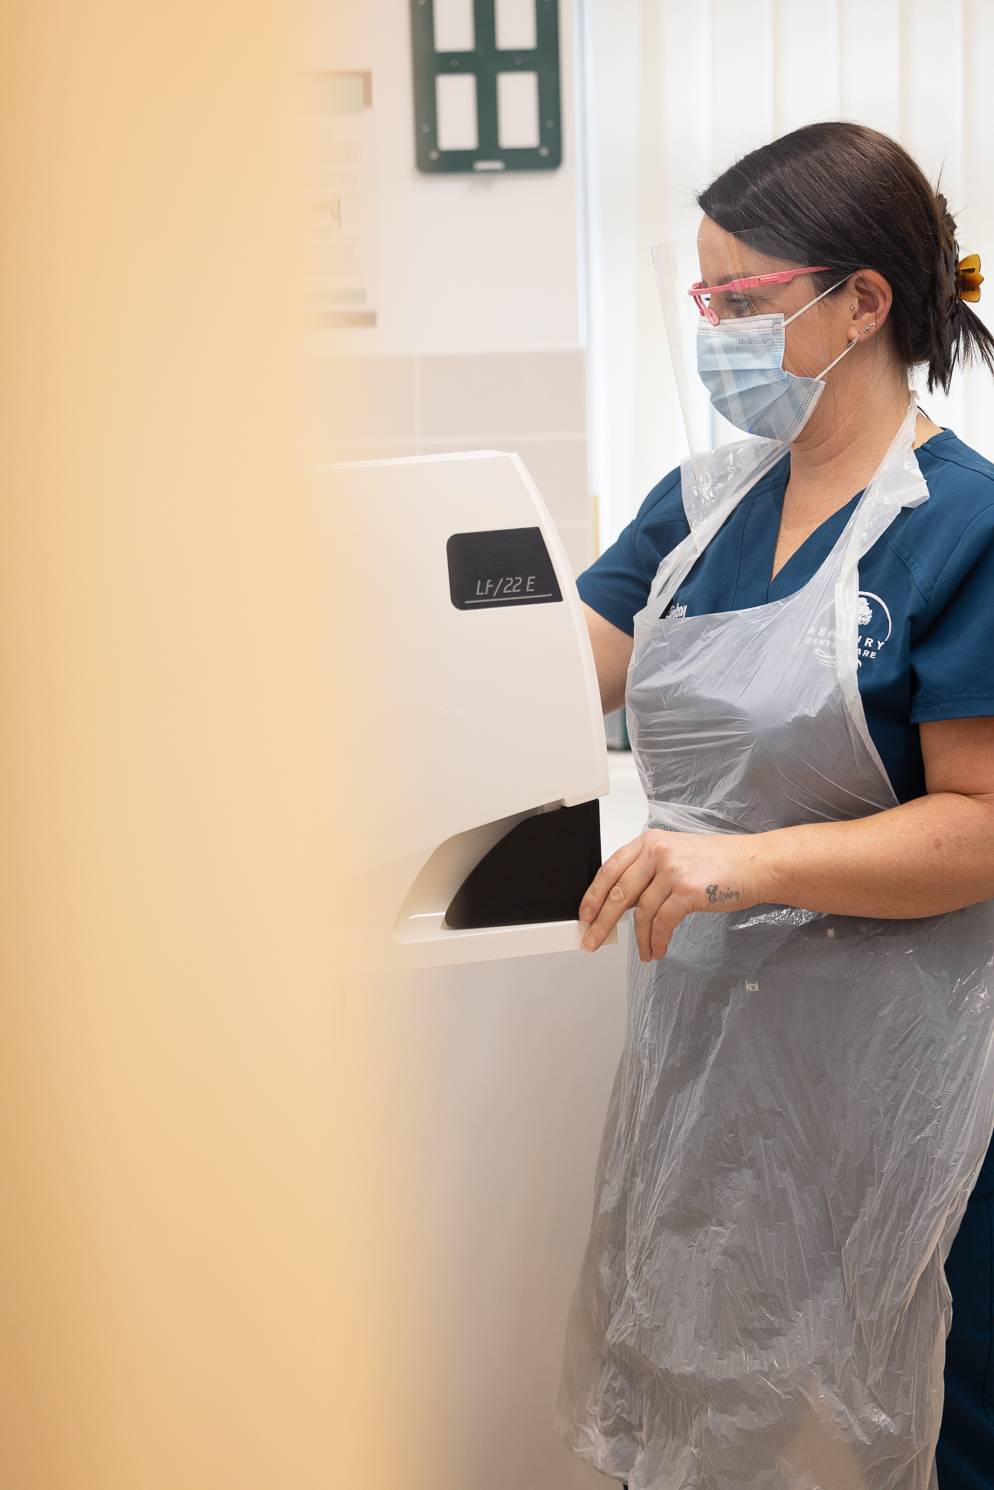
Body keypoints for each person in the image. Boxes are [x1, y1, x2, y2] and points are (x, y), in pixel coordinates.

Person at [557, 122, 994, 1490]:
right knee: (713, 1393)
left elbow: (977, 824)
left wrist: (735, 864)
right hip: (715, 1076)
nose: (712, 338)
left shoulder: (959, 524)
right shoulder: (693, 512)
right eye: (700, 303)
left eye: (739, 303)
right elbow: (546, 678)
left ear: (860, 301)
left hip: (912, 1081)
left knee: (908, 1407)